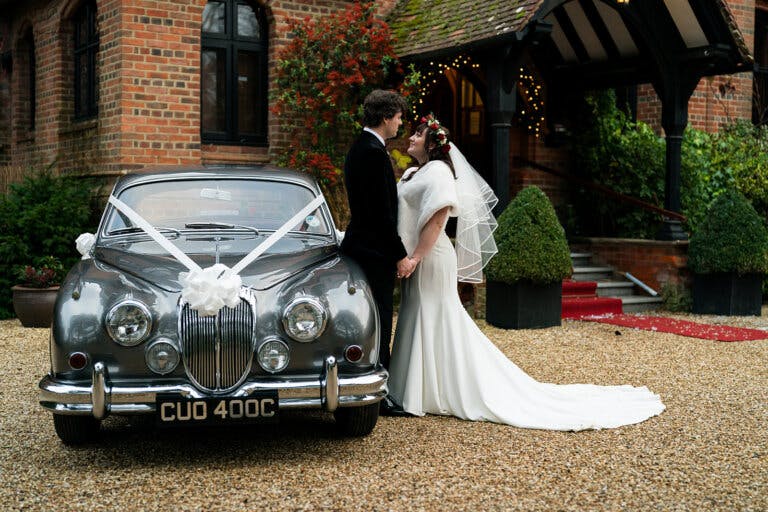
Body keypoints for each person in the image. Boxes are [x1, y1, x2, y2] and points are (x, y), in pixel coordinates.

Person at [387, 115, 665, 430]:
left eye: (419, 134)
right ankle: (419, 389)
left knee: (434, 315)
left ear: (433, 143)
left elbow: (438, 218)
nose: (411, 137)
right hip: (414, 257)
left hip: (431, 257)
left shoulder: (438, 171)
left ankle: (428, 392)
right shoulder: (413, 172)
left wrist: (415, 257)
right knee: (419, 313)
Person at [340, 90, 416, 416]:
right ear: (386, 117)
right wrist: (399, 254)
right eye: (398, 117)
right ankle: (379, 394)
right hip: (373, 252)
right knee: (380, 320)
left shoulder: (364, 147)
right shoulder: (372, 153)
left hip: (365, 246)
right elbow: (380, 214)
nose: (400, 123)